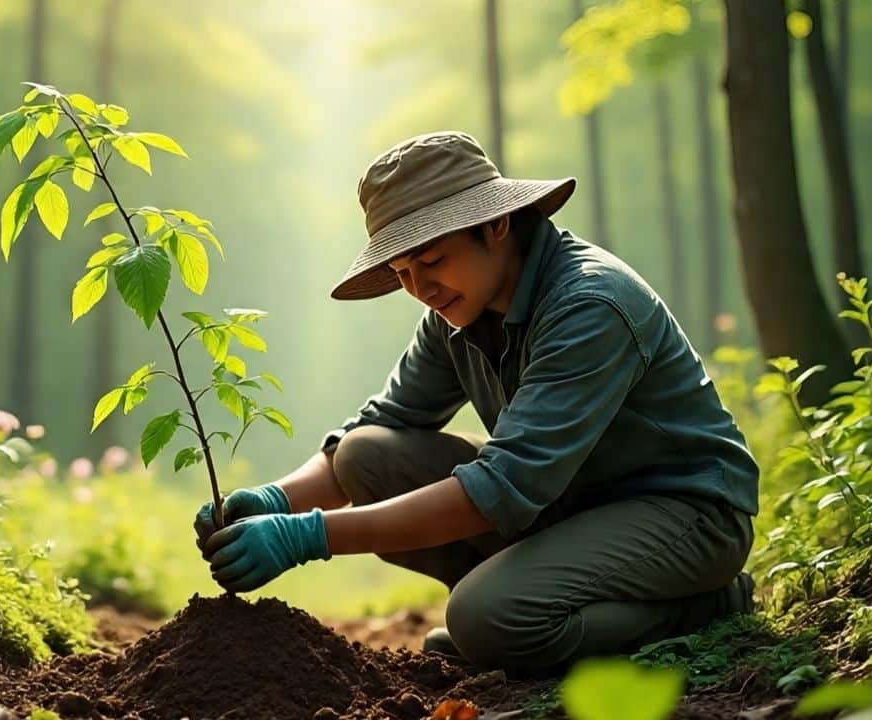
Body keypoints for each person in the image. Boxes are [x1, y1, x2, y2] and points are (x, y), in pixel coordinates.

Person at [193, 130, 759, 678]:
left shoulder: (591, 304)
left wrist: (306, 537)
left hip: (683, 514)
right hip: (568, 504)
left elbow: (501, 488)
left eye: (432, 261)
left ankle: (698, 607)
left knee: (482, 618)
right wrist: (273, 500)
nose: (420, 288)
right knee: (365, 457)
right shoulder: (458, 310)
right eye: (402, 272)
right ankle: (519, 617)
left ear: (495, 224)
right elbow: (381, 423)